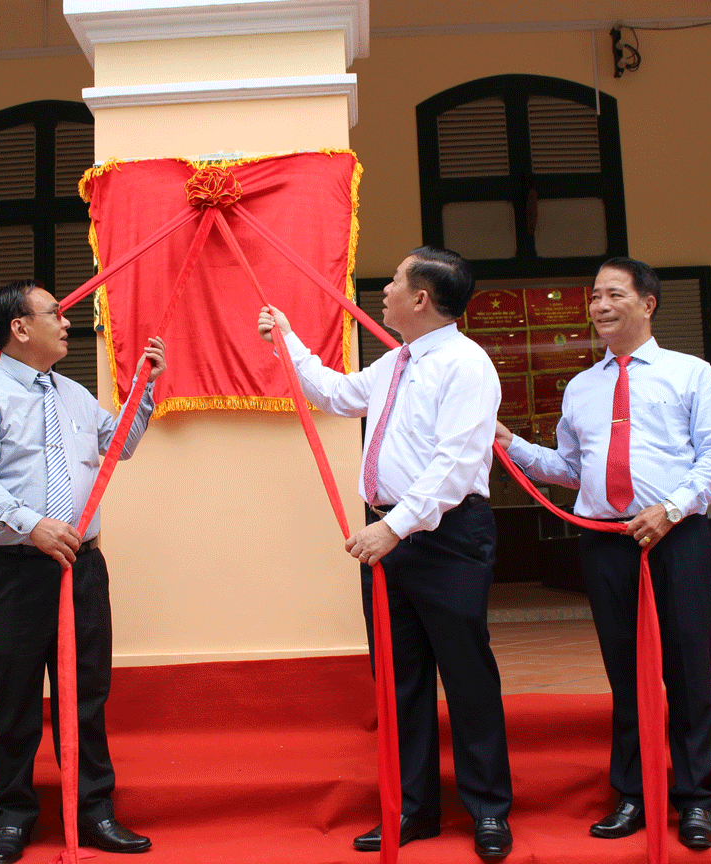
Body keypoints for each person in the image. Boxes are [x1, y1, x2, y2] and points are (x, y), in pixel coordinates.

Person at [257, 247, 514, 861]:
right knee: (399, 683)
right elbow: (341, 395)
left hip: (445, 538)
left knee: (466, 675)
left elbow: (454, 464)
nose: (386, 290)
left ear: (421, 298)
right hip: (391, 540)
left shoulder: (466, 364)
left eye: (396, 281)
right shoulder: (396, 362)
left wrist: (393, 529)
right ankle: (413, 809)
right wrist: (288, 341)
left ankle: (489, 812)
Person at [496, 257, 711, 850]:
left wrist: (671, 509)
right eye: (594, 297)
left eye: (612, 295)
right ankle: (633, 794)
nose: (599, 306)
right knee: (625, 674)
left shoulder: (691, 373)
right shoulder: (582, 387)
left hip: (677, 539)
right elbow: (572, 470)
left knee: (686, 669)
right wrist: (513, 445)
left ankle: (696, 800)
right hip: (607, 543)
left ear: (647, 303)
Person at [0, 280, 166, 864]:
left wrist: (144, 390)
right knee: (14, 698)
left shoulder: (71, 394)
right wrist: (31, 524)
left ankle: (94, 810)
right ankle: (14, 817)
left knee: (86, 695)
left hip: (82, 570)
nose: (67, 323)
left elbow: (119, 445)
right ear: (19, 328)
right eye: (55, 314)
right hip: (14, 570)